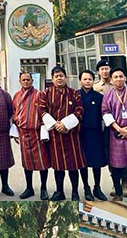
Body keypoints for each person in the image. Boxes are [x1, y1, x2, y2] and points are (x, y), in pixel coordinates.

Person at [38, 65, 85, 201]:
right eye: (56, 76)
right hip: (55, 135)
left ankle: (75, 192)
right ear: (52, 79)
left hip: (71, 135)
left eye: (61, 76)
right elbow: (42, 110)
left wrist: (65, 124)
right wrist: (56, 125)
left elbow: (80, 110)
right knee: (58, 167)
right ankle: (59, 191)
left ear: (65, 77)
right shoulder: (45, 94)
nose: (59, 78)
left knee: (73, 166)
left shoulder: (74, 93)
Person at [10, 72, 50, 199]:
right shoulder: (16, 96)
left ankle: (43, 188)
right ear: (20, 81)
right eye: (23, 80)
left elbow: (45, 112)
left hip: (37, 133)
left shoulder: (39, 94)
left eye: (28, 80)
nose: (26, 82)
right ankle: (29, 188)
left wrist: (44, 130)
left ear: (32, 81)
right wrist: (15, 132)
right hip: (23, 134)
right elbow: (13, 113)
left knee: (42, 162)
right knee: (27, 163)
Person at [101, 68, 127, 201]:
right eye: (116, 77)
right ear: (112, 79)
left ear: (125, 78)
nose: (119, 79)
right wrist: (119, 129)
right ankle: (117, 191)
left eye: (121, 76)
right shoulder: (108, 95)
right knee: (115, 162)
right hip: (114, 133)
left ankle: (125, 184)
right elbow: (105, 112)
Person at [77, 70, 109, 201]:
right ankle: (86, 187)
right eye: (85, 79)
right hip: (80, 133)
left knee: (96, 163)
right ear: (80, 80)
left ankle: (97, 187)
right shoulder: (76, 96)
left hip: (95, 133)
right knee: (82, 163)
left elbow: (104, 115)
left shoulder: (99, 97)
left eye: (90, 79)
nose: (87, 81)